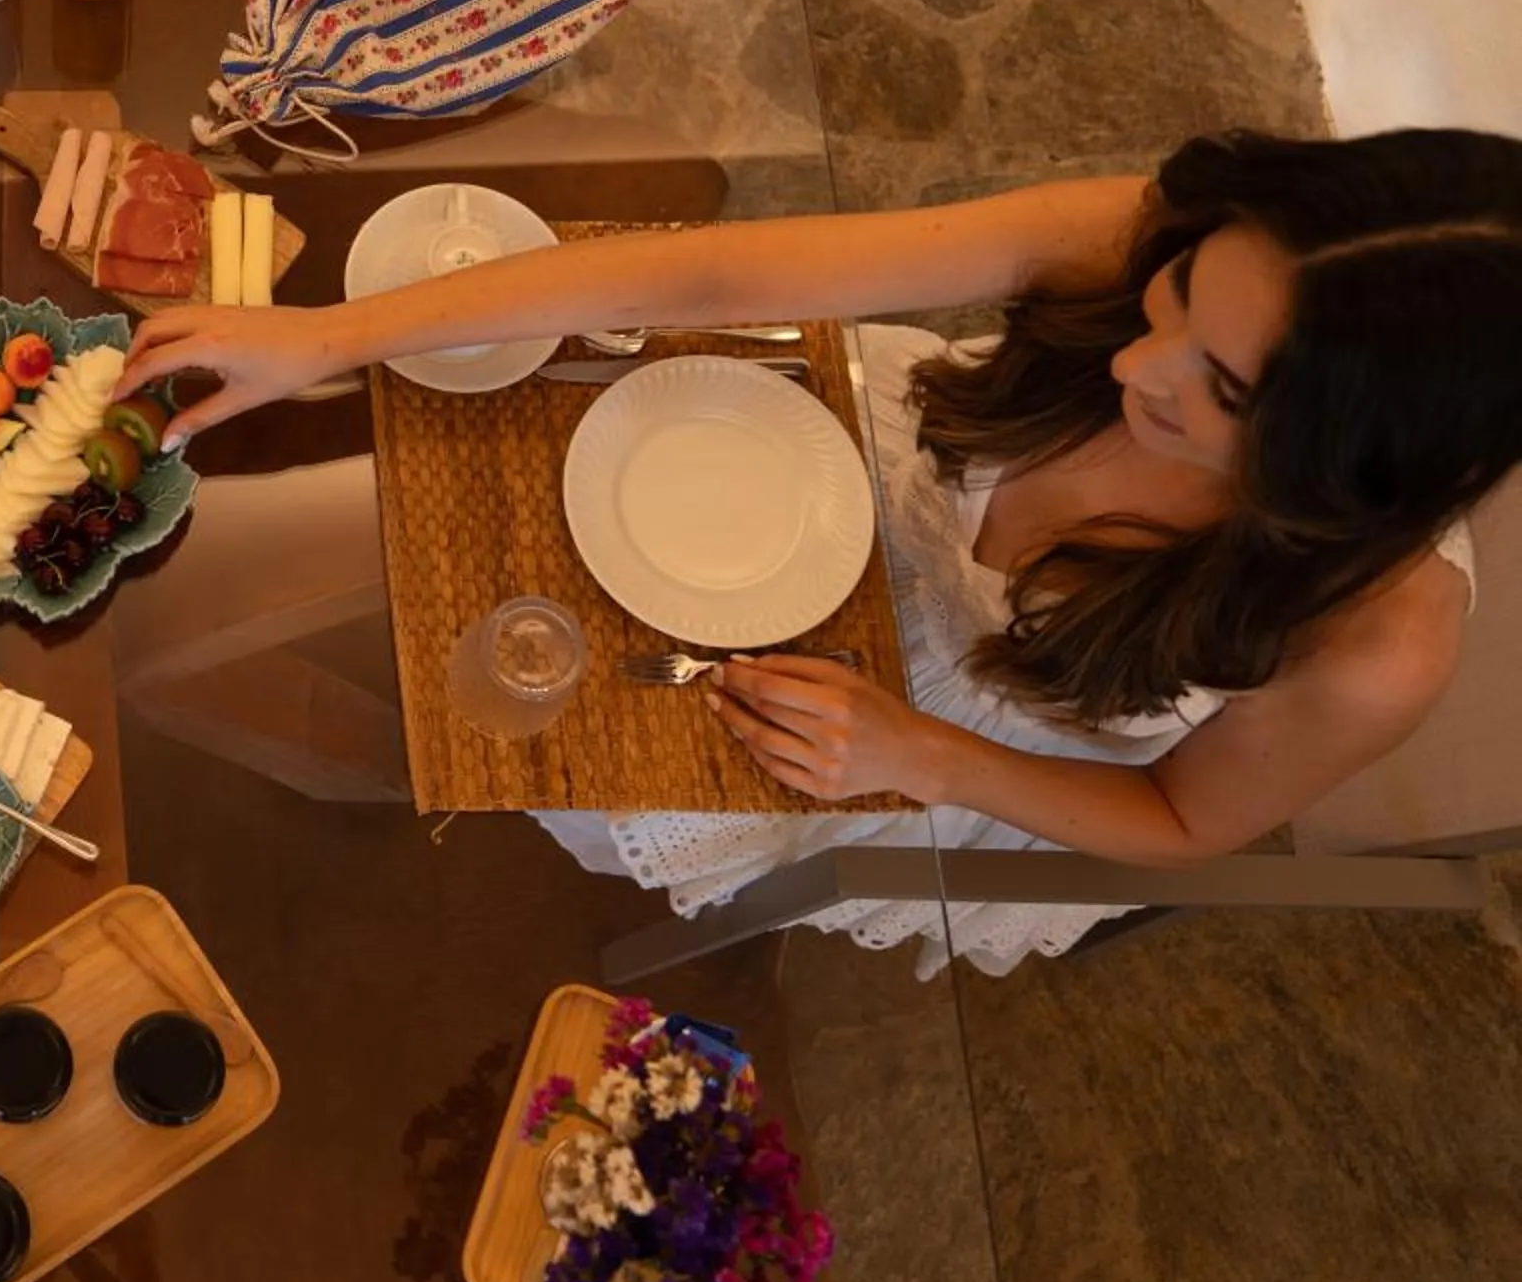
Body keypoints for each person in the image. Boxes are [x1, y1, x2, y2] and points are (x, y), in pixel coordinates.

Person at [119, 130, 1522, 972]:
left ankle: (393, 768)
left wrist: (921, 755)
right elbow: (721, 269)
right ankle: (359, 737)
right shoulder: (1159, 238)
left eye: (1212, 387)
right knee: (466, 537)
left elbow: (1187, 821)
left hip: (947, 734)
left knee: (565, 754)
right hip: (821, 472)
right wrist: (330, 337)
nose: (1134, 363)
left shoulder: (1376, 640)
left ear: (1339, 467)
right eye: (1175, 296)